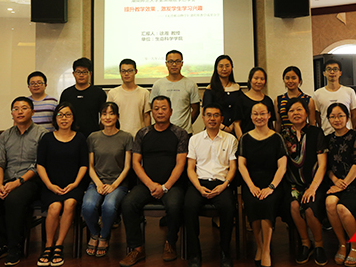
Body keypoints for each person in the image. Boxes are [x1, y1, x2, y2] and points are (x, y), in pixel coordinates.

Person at [0, 97, 48, 266]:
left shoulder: (42, 134)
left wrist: (18, 182)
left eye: (24, 108)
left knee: (13, 200)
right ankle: (1, 243)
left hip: (31, 181)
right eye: (16, 109)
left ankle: (15, 246)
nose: (19, 112)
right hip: (6, 180)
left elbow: (39, 164)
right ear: (12, 113)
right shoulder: (5, 136)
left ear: (33, 111)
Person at [119, 96, 189, 267]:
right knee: (128, 204)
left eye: (164, 108)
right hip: (146, 184)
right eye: (156, 108)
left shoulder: (180, 133)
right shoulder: (142, 133)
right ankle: (137, 248)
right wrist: (151, 185)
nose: (160, 112)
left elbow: (181, 163)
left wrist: (165, 187)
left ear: (171, 112)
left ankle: (170, 243)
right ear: (152, 112)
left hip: (172, 185)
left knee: (174, 205)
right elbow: (136, 163)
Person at [184, 104, 238, 267]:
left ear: (222, 119)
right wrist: (198, 187)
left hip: (221, 183)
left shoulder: (230, 139)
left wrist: (224, 185)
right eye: (208, 115)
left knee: (228, 208)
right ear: (203, 118)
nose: (212, 118)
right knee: (188, 207)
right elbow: (190, 168)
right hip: (199, 182)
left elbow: (233, 167)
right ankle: (194, 254)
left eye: (216, 115)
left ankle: (225, 252)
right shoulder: (194, 139)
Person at [36, 103, 88, 267]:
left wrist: (75, 183)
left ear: (73, 118)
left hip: (74, 185)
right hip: (51, 185)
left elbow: (84, 164)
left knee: (70, 203)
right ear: (55, 118)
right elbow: (40, 165)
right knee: (54, 207)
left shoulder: (80, 138)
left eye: (68, 115)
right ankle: (48, 245)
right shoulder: (47, 138)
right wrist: (49, 185)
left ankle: (59, 245)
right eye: (60, 115)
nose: (64, 118)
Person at [237, 102, 286, 267]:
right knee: (252, 202)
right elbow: (241, 165)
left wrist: (271, 187)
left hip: (272, 183)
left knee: (267, 203)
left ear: (269, 115)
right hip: (252, 182)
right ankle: (259, 245)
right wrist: (251, 186)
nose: (259, 117)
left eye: (262, 113)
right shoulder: (245, 138)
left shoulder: (277, 138)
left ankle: (266, 249)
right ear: (251, 116)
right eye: (255, 114)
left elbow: (282, 167)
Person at [280, 98, 328, 266]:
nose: (296, 113)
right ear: (287, 115)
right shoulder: (284, 135)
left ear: (307, 113)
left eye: (299, 109)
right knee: (293, 205)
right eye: (291, 111)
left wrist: (313, 188)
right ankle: (306, 243)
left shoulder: (316, 132)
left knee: (309, 208)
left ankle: (319, 244)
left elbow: (322, 165)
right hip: (293, 183)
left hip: (315, 183)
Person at [324, 103, 356, 267]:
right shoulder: (328, 139)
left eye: (340, 116)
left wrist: (342, 185)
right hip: (338, 182)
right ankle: (342, 244)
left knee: (342, 208)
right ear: (328, 119)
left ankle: (355, 246)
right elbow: (327, 167)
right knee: (330, 203)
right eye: (332, 116)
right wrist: (335, 181)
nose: (336, 119)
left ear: (347, 118)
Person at [82, 102, 133, 258]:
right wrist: (98, 183)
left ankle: (104, 236)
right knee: (88, 206)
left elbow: (127, 167)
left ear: (117, 116)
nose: (107, 117)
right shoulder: (93, 137)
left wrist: (114, 185)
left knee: (109, 206)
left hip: (119, 184)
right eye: (104, 114)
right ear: (100, 116)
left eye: (111, 113)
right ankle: (95, 234)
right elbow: (90, 166)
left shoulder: (126, 137)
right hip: (97, 182)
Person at [150, 50, 200, 134]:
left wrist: (187, 124)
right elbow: (153, 109)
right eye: (170, 61)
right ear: (166, 64)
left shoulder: (191, 84)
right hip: (162, 132)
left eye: (177, 61)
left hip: (184, 132)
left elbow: (196, 109)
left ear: (182, 63)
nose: (174, 64)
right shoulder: (158, 84)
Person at [59, 57, 107, 137]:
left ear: (90, 74)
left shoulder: (99, 93)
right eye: (78, 72)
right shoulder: (66, 93)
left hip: (93, 135)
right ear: (73, 74)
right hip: (70, 136)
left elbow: (104, 115)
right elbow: (61, 115)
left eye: (84, 72)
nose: (81, 75)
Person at [314, 59, 356, 136]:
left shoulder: (349, 91)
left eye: (335, 69)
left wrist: (350, 128)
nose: (332, 72)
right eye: (329, 69)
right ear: (324, 73)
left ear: (340, 73)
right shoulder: (317, 94)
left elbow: (355, 115)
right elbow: (317, 116)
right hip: (326, 134)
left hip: (347, 135)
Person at [107, 58, 151, 136]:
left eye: (130, 71)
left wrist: (147, 136)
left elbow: (146, 116)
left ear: (135, 71)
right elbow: (109, 116)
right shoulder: (112, 93)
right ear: (120, 72)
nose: (126, 74)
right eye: (123, 71)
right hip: (118, 136)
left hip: (138, 136)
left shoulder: (144, 93)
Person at [202, 55, 242, 136]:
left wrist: (232, 126)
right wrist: (224, 128)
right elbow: (206, 113)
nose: (224, 69)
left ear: (232, 67)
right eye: (221, 66)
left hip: (235, 130)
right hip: (215, 130)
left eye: (227, 66)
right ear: (216, 68)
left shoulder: (237, 88)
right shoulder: (210, 89)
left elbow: (240, 110)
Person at [234, 67, 276, 138]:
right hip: (248, 140)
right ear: (250, 79)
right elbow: (236, 124)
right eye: (256, 78)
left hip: (266, 139)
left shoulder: (268, 100)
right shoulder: (241, 99)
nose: (259, 82)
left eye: (262, 79)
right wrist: (242, 140)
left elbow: (270, 124)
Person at [275, 66, 316, 132]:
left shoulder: (308, 99)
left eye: (294, 78)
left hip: (303, 135)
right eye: (287, 78)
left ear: (299, 80)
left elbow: (312, 122)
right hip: (285, 135)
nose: (290, 81)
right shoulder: (278, 100)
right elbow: (278, 122)